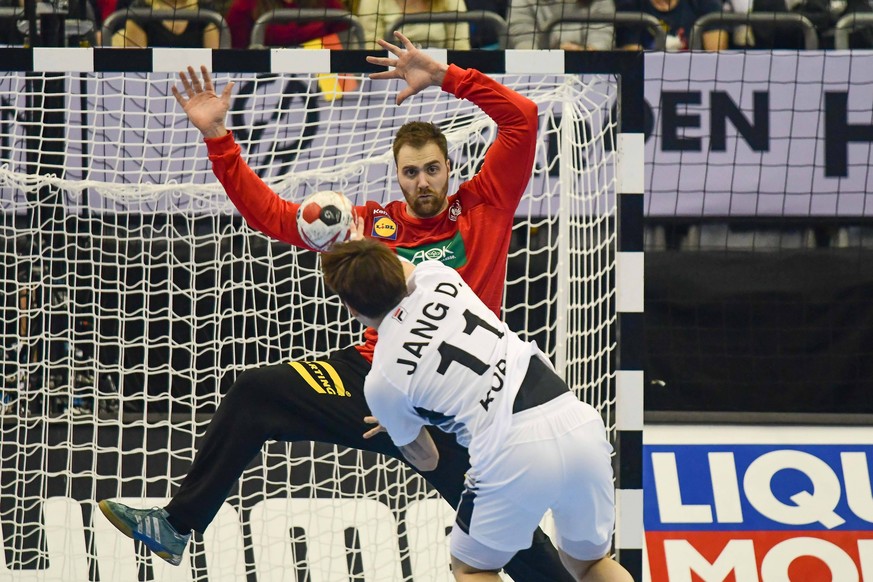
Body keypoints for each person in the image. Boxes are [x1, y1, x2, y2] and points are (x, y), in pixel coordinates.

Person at [98, 31, 578, 582]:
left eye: (432, 169)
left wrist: (447, 76)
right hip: (373, 381)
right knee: (255, 392)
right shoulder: (370, 226)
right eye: (410, 172)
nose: (423, 182)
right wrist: (218, 138)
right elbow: (272, 217)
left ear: (451, 168)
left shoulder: (485, 206)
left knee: (510, 543)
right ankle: (178, 526)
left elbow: (521, 117)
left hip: (454, 400)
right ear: (396, 175)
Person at [319, 238, 634, 582]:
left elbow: (428, 459)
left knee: (471, 568)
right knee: (590, 563)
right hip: (577, 423)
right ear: (395, 269)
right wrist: (357, 243)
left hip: (512, 448)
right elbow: (402, 270)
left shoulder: (382, 382)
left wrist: (400, 420)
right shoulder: (437, 277)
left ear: (350, 308)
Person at [225, 0, 350, 49]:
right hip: (263, 79)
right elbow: (237, 56)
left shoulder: (328, 3)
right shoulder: (245, 6)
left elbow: (344, 49)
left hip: (323, 81)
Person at [355, 0, 471, 49]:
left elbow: (461, 49)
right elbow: (371, 50)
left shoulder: (451, 2)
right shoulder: (372, 2)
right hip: (390, 76)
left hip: (441, 76)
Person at [616, 0, 728, 50]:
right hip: (646, 76)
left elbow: (716, 53)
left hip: (696, 74)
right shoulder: (630, 4)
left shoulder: (705, 3)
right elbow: (631, 57)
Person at [507, 0, 615, 51]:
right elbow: (525, 48)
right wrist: (555, 59)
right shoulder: (523, 2)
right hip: (538, 73)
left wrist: (579, 53)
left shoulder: (600, 2)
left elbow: (601, 45)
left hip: (586, 70)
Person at [110, 0, 221, 47]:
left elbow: (213, 65)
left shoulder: (207, 11)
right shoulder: (139, 12)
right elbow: (139, 68)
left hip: (197, 85)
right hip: (151, 88)